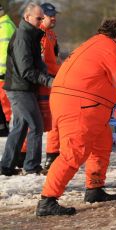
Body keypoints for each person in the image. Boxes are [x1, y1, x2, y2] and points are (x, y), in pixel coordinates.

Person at [36, 18, 116, 216]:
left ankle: (94, 189)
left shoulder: (92, 44)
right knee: (73, 153)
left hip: (72, 100)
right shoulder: (112, 48)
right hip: (81, 105)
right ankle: (47, 200)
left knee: (101, 145)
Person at [0, 3, 54, 176]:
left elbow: (36, 63)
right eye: (38, 18)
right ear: (27, 17)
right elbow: (26, 70)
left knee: (20, 126)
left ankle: (6, 166)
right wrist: (48, 80)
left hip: (21, 87)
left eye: (42, 18)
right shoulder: (24, 37)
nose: (41, 21)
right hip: (20, 88)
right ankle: (31, 166)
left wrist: (47, 73)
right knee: (36, 125)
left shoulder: (30, 35)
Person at [18, 2, 61, 172]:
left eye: (53, 15)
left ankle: (48, 155)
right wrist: (51, 77)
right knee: (38, 123)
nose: (53, 18)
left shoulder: (51, 34)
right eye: (49, 15)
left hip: (52, 80)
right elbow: (40, 62)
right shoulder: (39, 34)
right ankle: (26, 156)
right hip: (44, 83)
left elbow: (55, 59)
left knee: (48, 122)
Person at [0, 4, 15, 136]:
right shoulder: (4, 24)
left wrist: (2, 71)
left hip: (2, 72)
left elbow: (5, 51)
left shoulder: (4, 26)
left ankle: (3, 127)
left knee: (3, 99)